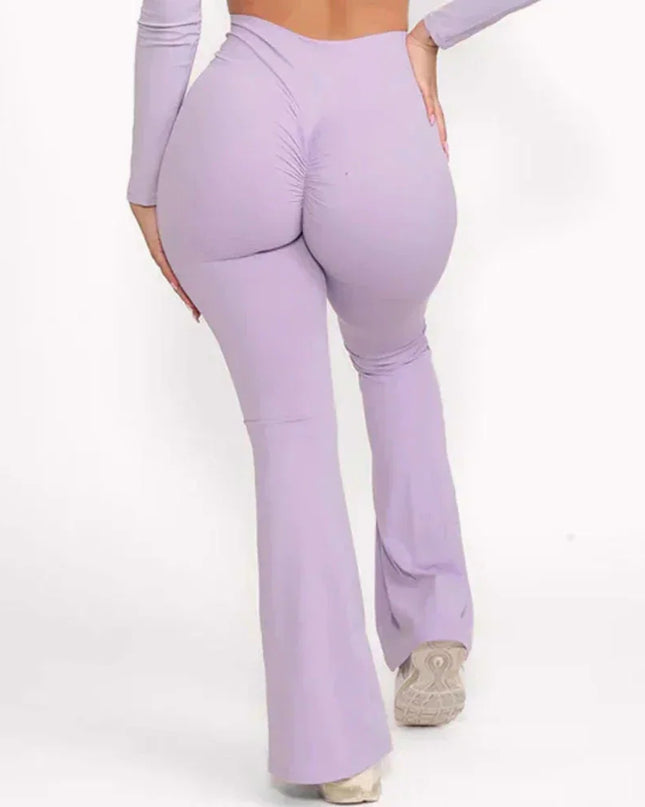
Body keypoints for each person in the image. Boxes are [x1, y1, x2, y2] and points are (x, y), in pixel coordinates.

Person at [127, 0, 540, 802]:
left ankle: (336, 748)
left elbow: (170, 20)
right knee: (393, 358)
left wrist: (147, 185)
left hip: (238, 125)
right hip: (381, 119)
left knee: (289, 429)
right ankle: (431, 634)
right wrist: (432, 36)